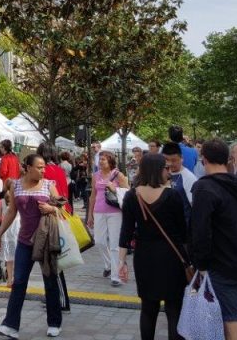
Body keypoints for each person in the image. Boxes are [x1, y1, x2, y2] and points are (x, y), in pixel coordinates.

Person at [190, 139, 237, 340]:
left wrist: (201, 264)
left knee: (229, 318)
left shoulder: (204, 188)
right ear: (228, 159)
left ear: (203, 159)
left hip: (223, 263)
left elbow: (200, 231)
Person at [0, 153, 64, 338]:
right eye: (39, 167)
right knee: (19, 283)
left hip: (46, 241)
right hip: (24, 241)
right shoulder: (16, 185)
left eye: (43, 167)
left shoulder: (49, 185)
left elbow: (62, 207)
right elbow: (11, 212)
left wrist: (52, 208)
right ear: (28, 167)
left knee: (50, 281)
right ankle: (10, 325)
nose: (43, 170)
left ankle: (54, 323)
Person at [118, 153, 188, 340]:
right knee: (174, 309)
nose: (169, 171)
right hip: (171, 257)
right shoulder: (172, 195)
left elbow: (126, 230)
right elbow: (183, 232)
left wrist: (122, 261)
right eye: (166, 168)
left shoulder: (132, 195)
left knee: (148, 309)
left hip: (144, 257)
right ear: (157, 170)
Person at [87, 151, 129, 287]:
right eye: (100, 160)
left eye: (103, 160)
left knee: (115, 244)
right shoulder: (96, 176)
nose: (100, 162)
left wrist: (115, 189)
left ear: (110, 161)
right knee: (99, 241)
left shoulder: (118, 175)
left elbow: (129, 193)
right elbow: (92, 196)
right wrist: (89, 215)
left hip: (115, 212)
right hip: (98, 211)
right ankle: (109, 264)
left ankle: (115, 276)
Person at [162, 142, 195, 222]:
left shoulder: (189, 177)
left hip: (183, 227)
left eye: (174, 160)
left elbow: (195, 206)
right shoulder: (160, 174)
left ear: (181, 158)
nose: (169, 164)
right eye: (166, 160)